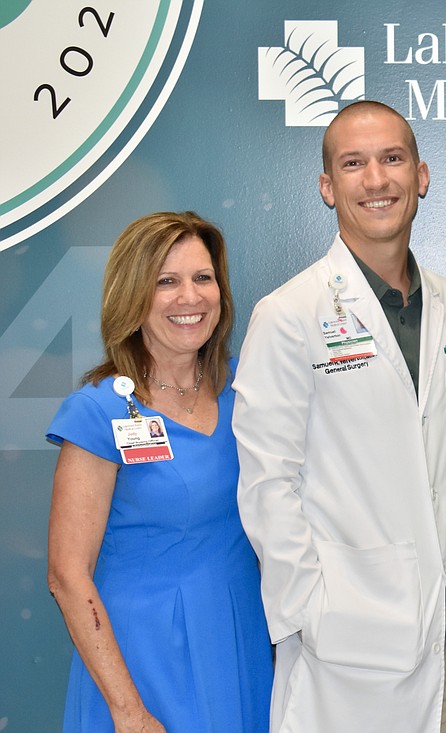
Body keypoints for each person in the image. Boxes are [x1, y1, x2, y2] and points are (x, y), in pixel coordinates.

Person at [233, 100, 446, 733]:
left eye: (393, 159)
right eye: (354, 164)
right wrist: (311, 609)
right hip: (347, 648)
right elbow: (267, 483)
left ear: (422, 175)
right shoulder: (290, 314)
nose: (377, 179)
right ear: (328, 188)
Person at [45, 212, 272, 732]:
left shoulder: (249, 388)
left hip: (239, 643)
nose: (189, 297)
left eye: (203, 278)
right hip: (141, 663)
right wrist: (129, 711)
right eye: (165, 282)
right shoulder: (99, 411)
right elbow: (65, 574)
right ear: (133, 296)